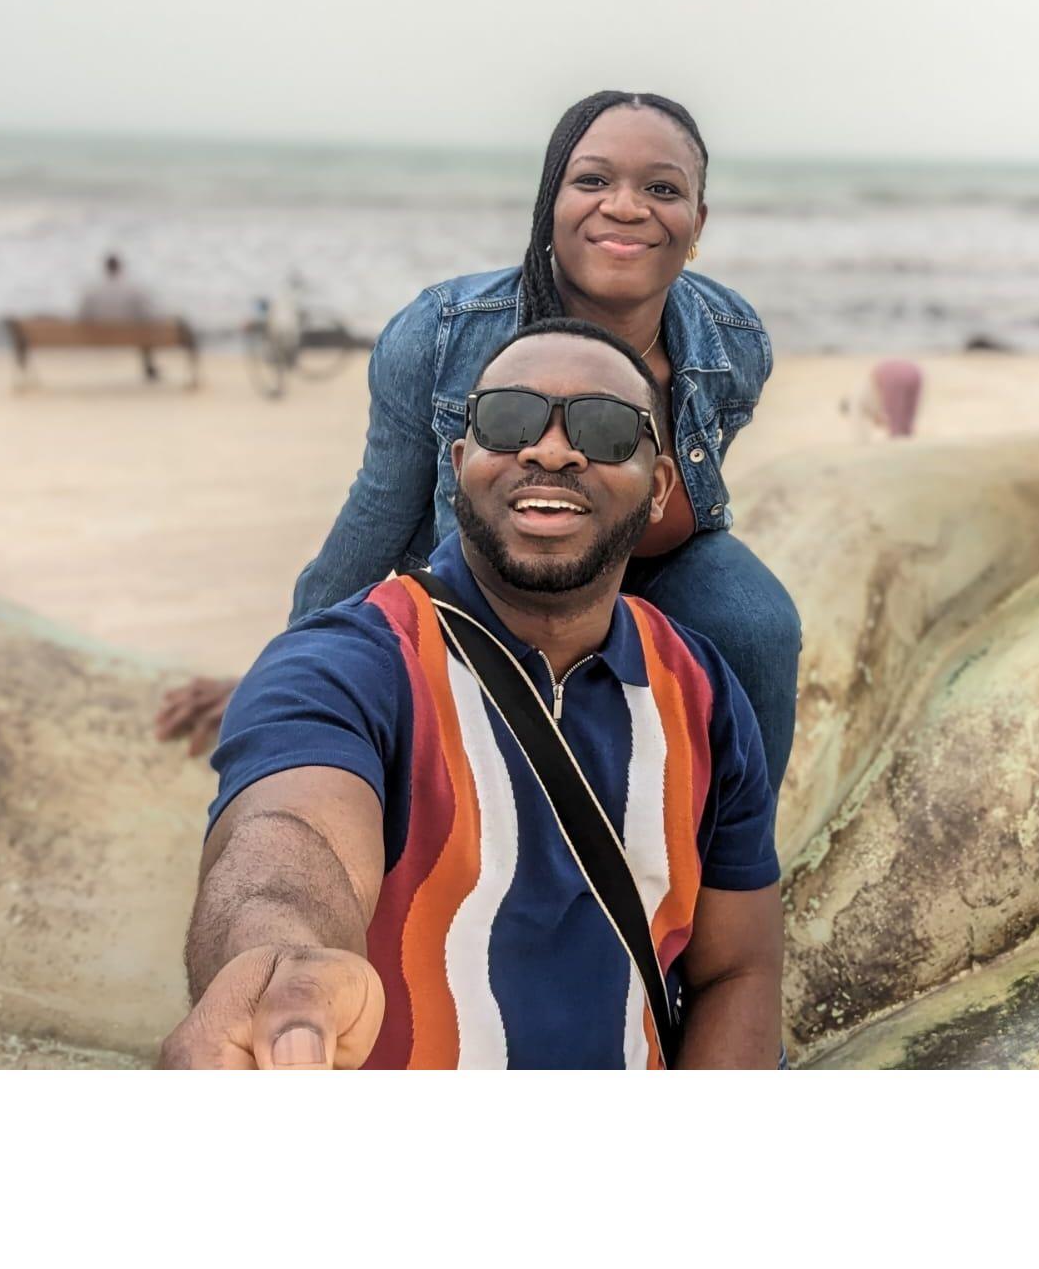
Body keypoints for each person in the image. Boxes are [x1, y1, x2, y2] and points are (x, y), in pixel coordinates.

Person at [159, 321, 783, 1070]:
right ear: (460, 466)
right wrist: (280, 964)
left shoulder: (700, 689)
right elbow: (289, 840)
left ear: (657, 489)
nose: (550, 451)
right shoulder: (348, 666)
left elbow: (737, 968)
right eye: (509, 419)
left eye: (605, 428)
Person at [158, 91, 803, 798]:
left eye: (662, 189)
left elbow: (673, 498)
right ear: (550, 203)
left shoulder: (731, 342)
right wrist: (285, 669)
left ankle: (735, 845)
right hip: (491, 583)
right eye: (592, 180)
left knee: (753, 624)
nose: (625, 207)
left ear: (696, 221)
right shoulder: (445, 332)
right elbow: (376, 515)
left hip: (644, 572)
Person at [78, 252, 161, 381]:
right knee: (145, 332)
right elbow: (146, 314)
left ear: (105, 268)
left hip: (98, 335)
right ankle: (149, 367)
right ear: (120, 268)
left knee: (142, 331)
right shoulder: (133, 288)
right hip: (132, 336)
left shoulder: (92, 290)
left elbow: (82, 316)